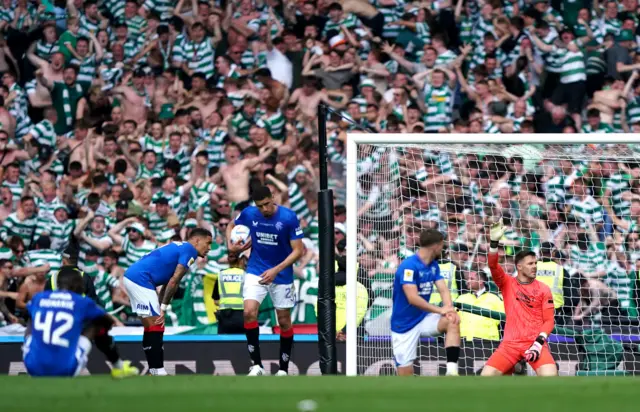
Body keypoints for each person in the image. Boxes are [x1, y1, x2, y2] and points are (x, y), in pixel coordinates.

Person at [227, 185, 304, 376]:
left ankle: (283, 369)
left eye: (267, 204)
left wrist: (276, 270)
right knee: (248, 313)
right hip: (256, 269)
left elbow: (298, 251)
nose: (265, 209)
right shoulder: (249, 214)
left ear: (273, 197)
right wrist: (232, 243)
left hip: (282, 274)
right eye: (260, 206)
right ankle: (256, 365)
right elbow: (231, 225)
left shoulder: (288, 218)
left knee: (284, 321)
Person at [123, 228, 213, 376]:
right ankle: (158, 369)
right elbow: (174, 282)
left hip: (134, 276)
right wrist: (163, 309)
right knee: (157, 323)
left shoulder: (181, 247)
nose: (209, 248)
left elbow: (168, 282)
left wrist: (160, 305)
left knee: (150, 325)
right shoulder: (190, 251)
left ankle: (153, 370)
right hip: (141, 279)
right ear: (197, 240)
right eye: (208, 243)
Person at [22, 266, 137, 378]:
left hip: (32, 367)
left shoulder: (39, 298)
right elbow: (107, 321)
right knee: (97, 325)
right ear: (76, 285)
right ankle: (118, 366)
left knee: (32, 319)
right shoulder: (81, 302)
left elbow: (28, 313)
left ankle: (31, 352)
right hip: (66, 369)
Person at [482, 220, 558, 377]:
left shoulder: (543, 288)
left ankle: (517, 368)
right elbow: (493, 265)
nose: (535, 266)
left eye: (535, 263)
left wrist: (539, 343)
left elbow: (549, 320)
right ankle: (516, 367)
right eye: (530, 264)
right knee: (486, 378)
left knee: (551, 377)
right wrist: (494, 243)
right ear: (519, 266)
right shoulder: (507, 283)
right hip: (510, 345)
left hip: (535, 343)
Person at [390, 228, 461, 376]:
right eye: (442, 245)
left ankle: (452, 372)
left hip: (423, 318)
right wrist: (440, 310)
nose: (443, 248)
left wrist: (449, 308)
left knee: (452, 321)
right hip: (404, 324)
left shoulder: (433, 265)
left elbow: (443, 289)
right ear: (436, 246)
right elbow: (413, 298)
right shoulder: (409, 266)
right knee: (405, 374)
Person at [213, 250, 248, 334]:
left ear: (228, 260)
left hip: (225, 316)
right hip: (242, 316)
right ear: (241, 260)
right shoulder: (245, 275)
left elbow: (216, 301)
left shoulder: (221, 275)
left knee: (224, 345)